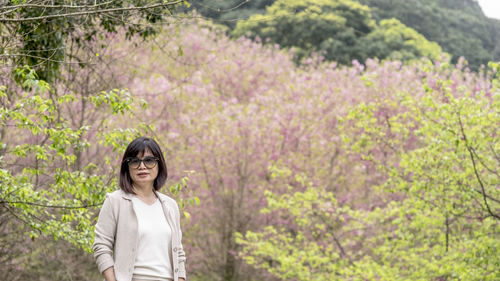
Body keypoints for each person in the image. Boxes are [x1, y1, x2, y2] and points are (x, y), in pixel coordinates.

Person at [93, 137, 187, 281]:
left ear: (159, 164)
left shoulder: (170, 206)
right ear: (127, 167)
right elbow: (101, 247)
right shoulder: (115, 201)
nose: (142, 166)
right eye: (135, 161)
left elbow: (179, 253)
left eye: (149, 160)